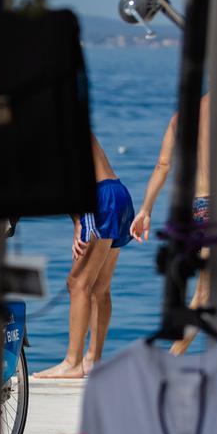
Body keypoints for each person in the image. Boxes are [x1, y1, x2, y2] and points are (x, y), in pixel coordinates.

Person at [130, 93, 217, 354]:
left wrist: (145, 210)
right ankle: (169, 360)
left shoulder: (181, 117)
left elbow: (162, 166)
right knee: (205, 297)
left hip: (191, 212)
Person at [34, 133, 134, 380]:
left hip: (97, 198)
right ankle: (92, 360)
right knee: (100, 287)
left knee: (77, 283)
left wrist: (84, 220)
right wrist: (78, 221)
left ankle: (73, 362)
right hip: (116, 193)